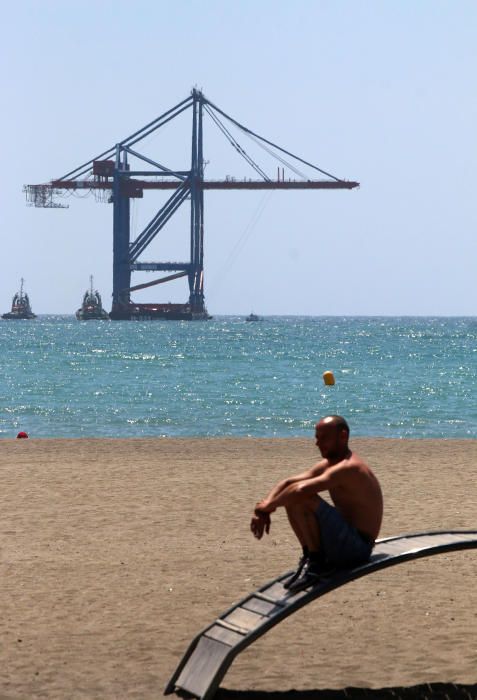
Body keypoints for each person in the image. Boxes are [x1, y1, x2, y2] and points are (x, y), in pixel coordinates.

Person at [250, 415, 383, 592]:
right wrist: (264, 508)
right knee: (293, 496)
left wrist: (266, 507)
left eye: (324, 438)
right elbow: (289, 483)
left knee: (302, 496)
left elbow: (300, 491)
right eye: (317, 438)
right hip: (344, 540)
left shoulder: (349, 467)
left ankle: (317, 564)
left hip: (357, 548)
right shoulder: (331, 464)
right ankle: (312, 558)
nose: (318, 444)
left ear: (343, 436)